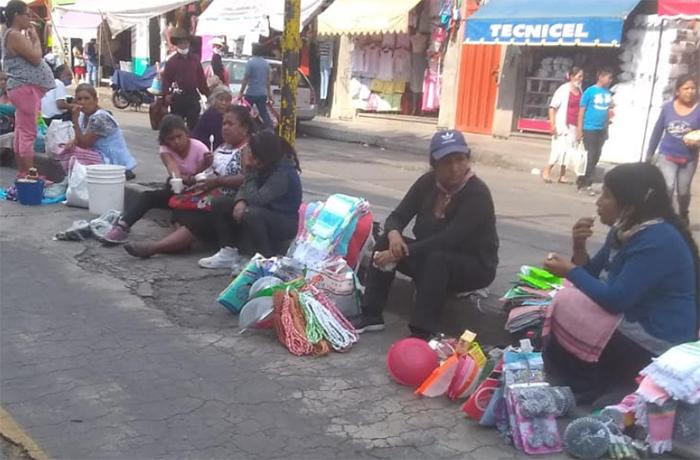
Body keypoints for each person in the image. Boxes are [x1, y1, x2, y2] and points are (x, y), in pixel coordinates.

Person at [543, 163, 699, 405]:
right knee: (566, 295)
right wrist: (578, 247)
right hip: (631, 322)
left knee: (565, 301)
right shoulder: (624, 230)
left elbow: (616, 300)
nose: (598, 202)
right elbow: (592, 277)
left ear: (629, 204)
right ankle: (596, 380)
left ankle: (592, 382)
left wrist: (571, 271)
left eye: (606, 195)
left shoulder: (658, 240)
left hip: (658, 341)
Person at [351, 130, 499, 339]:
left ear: (468, 159)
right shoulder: (427, 183)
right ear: (434, 164)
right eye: (447, 162)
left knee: (437, 259)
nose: (455, 168)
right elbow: (397, 216)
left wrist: (401, 253)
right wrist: (394, 235)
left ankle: (422, 331)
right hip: (429, 256)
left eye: (460, 160)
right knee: (385, 241)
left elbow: (449, 239)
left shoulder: (477, 193)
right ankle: (371, 313)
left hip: (473, 266)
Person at [122, 106, 255, 259]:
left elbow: (248, 179)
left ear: (244, 128)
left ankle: (153, 248)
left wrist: (217, 182)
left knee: (199, 218)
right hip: (211, 194)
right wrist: (203, 169)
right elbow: (206, 172)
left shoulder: (248, 149)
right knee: (179, 205)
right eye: (223, 124)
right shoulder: (224, 146)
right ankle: (178, 244)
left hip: (231, 201)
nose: (225, 128)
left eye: (230, 124)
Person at [102, 115, 212, 244]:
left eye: (179, 136)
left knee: (180, 206)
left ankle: (177, 236)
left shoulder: (199, 148)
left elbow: (203, 174)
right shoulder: (165, 149)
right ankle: (122, 226)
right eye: (171, 139)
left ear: (186, 134)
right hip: (178, 187)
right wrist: (180, 180)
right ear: (165, 140)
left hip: (198, 191)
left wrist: (204, 166)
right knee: (149, 196)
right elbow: (172, 169)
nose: (176, 142)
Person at [198, 131, 302, 268]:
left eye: (255, 156)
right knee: (220, 203)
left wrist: (250, 171)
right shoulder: (264, 164)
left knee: (251, 213)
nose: (251, 158)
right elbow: (244, 189)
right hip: (263, 210)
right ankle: (228, 252)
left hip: (283, 221)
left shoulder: (282, 174)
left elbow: (257, 199)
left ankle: (264, 260)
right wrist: (240, 200)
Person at [0, 0, 55, 175]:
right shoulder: (14, 35)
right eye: (27, 14)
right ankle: (30, 174)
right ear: (17, 16)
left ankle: (23, 172)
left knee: (21, 130)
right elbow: (36, 57)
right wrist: (36, 39)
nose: (29, 18)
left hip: (21, 88)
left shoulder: (12, 34)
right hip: (24, 89)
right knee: (28, 133)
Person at [645, 75, 700, 228]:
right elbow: (657, 130)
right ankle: (665, 216)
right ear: (677, 91)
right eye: (686, 89)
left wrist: (696, 141)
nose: (690, 92)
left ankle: (683, 212)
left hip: (688, 157)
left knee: (683, 191)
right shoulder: (668, 108)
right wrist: (650, 153)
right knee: (668, 186)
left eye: (693, 88)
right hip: (667, 154)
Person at [69, 84, 137, 176]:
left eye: (87, 98)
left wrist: (75, 121)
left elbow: (84, 144)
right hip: (100, 156)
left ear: (95, 100)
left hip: (114, 162)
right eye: (79, 99)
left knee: (74, 155)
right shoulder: (83, 116)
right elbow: (79, 138)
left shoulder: (100, 118)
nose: (83, 102)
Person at [161, 28, 209, 130]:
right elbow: (166, 80)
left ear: (189, 44)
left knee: (194, 126)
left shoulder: (195, 60)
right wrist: (166, 95)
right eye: (181, 43)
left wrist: (208, 95)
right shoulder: (171, 62)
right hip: (178, 97)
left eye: (185, 42)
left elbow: (201, 79)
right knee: (177, 126)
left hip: (192, 97)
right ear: (177, 45)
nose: (183, 45)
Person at [542, 67, 583, 184]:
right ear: (571, 76)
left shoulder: (580, 90)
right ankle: (547, 171)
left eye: (581, 77)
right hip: (562, 125)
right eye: (579, 76)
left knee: (569, 151)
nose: (580, 79)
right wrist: (552, 124)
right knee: (558, 149)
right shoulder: (563, 90)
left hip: (574, 125)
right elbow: (552, 107)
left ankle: (562, 175)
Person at [577, 68, 613, 193]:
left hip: (601, 129)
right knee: (590, 155)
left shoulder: (608, 93)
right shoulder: (590, 91)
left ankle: (584, 180)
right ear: (600, 77)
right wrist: (579, 129)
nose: (610, 80)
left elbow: (608, 111)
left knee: (597, 155)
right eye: (608, 77)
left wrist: (607, 129)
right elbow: (581, 111)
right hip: (589, 128)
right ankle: (586, 182)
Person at [239, 44, 273, 131]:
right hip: (262, 93)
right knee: (263, 112)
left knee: (244, 112)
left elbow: (246, 78)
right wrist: (269, 94)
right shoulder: (266, 63)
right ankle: (270, 129)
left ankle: (243, 127)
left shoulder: (250, 62)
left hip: (251, 92)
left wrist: (241, 92)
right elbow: (268, 80)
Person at [191, 85, 232, 151]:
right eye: (221, 100)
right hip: (204, 148)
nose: (223, 103)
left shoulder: (227, 114)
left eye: (227, 100)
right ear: (214, 100)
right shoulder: (211, 114)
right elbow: (220, 137)